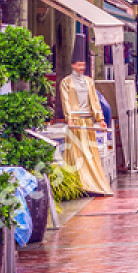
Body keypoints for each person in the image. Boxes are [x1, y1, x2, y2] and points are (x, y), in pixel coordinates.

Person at [58, 37, 112, 195]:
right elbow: (65, 100)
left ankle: (92, 182)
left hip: (87, 121)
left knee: (89, 152)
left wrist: (100, 119)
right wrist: (69, 117)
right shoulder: (66, 82)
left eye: (83, 65)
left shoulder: (89, 81)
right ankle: (78, 183)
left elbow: (94, 101)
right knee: (75, 152)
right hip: (75, 120)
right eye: (79, 64)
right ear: (73, 65)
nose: (81, 67)